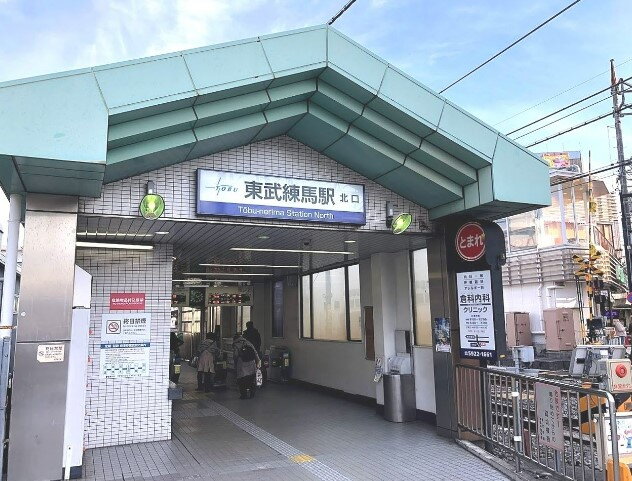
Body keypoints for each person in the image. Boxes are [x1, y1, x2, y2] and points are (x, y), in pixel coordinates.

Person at [233, 332, 260, 399]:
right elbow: (255, 352)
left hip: (242, 363)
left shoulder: (236, 344)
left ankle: (244, 395)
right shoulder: (248, 342)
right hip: (251, 362)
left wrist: (235, 364)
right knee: (251, 379)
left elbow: (235, 355)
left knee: (241, 380)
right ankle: (252, 393)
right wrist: (258, 361)